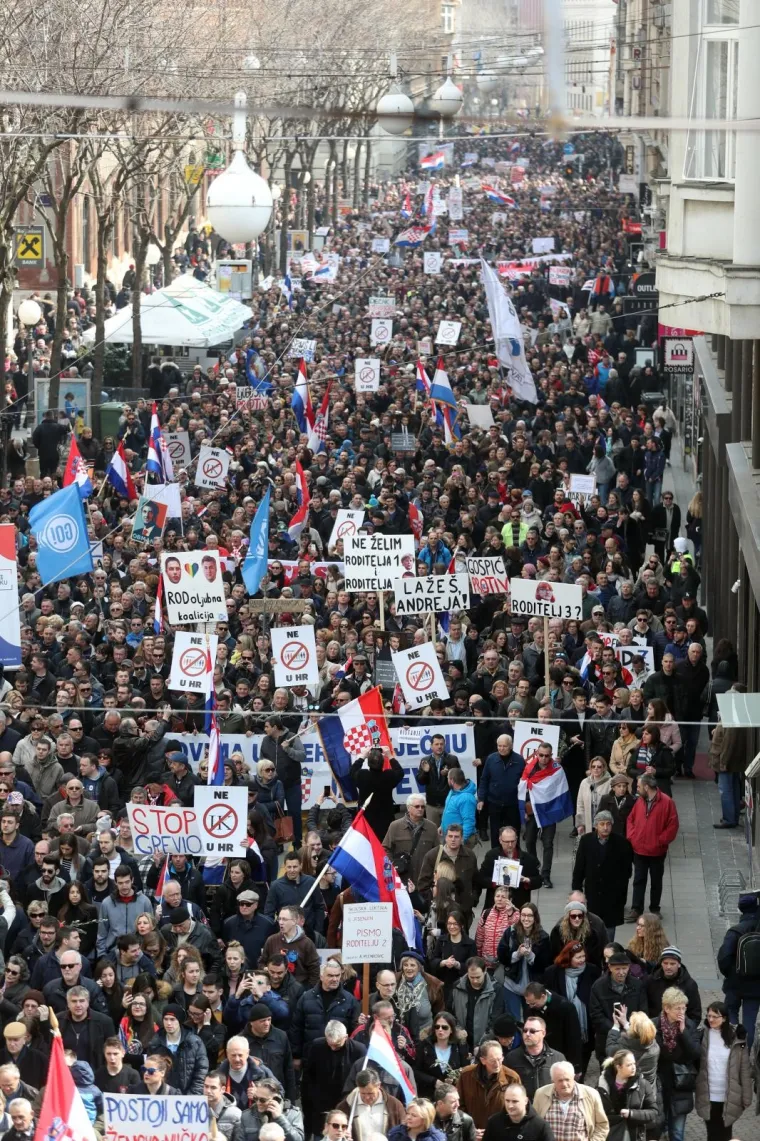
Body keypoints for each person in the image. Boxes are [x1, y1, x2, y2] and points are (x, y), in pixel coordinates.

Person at [572, 812, 633, 942]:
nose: (605, 827)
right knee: (591, 931)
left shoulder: (622, 843)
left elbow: (627, 872)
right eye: (602, 824)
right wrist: (576, 892)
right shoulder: (586, 841)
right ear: (596, 826)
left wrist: (621, 897)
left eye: (608, 824)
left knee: (608, 936)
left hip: (612, 897)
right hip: (593, 894)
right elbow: (579, 869)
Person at [695, 1002, 751, 1141]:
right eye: (709, 1016)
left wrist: (747, 1096)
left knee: (725, 1133)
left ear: (724, 1018)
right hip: (708, 1094)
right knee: (712, 1134)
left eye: (715, 1016)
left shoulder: (736, 1037)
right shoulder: (702, 1035)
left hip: (729, 1094)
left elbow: (744, 1068)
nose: (711, 1019)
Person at [625, 775, 679, 920]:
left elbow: (672, 826)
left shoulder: (667, 802)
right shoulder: (639, 801)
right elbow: (631, 819)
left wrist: (660, 841)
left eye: (638, 786)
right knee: (638, 880)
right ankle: (636, 908)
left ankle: (654, 908)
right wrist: (633, 837)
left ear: (646, 787)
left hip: (657, 851)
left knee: (656, 881)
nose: (636, 789)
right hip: (639, 849)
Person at [301, 1020, 366, 1138]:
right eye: (329, 1044)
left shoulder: (358, 1050)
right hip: (321, 1106)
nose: (332, 1048)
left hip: (346, 1104)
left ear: (346, 1037)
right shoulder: (317, 1046)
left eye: (337, 1045)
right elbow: (308, 1077)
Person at [654, 987, 702, 1141]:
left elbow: (695, 1053)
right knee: (657, 1127)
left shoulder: (688, 1025)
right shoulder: (653, 1025)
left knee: (677, 1131)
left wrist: (683, 1033)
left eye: (684, 1007)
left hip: (681, 1083)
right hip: (660, 1081)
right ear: (666, 1008)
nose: (682, 1011)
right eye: (678, 1008)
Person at [588, 951, 649, 1063]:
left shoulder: (637, 985)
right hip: (607, 1040)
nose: (621, 972)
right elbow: (596, 1015)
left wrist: (630, 1028)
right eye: (617, 969)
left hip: (632, 1040)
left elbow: (643, 1011)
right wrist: (615, 1030)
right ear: (610, 968)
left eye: (624, 968)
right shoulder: (598, 987)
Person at [717, 890, 760, 1045]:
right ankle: (745, 1051)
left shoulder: (736, 930)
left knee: (731, 1015)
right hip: (756, 986)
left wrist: (730, 973)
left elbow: (724, 958)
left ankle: (732, 1048)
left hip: (735, 983)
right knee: (750, 1019)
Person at [497, 904, 552, 1018]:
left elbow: (545, 964)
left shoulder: (543, 937)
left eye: (530, 916)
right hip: (512, 984)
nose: (526, 919)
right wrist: (517, 954)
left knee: (531, 1020)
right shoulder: (511, 932)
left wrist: (531, 956)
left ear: (535, 917)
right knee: (514, 1020)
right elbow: (501, 955)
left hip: (532, 986)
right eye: (523, 915)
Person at [532, 1061, 609, 1141]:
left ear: (573, 1077)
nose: (564, 1084)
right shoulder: (541, 1094)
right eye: (560, 1080)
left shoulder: (591, 1094)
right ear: (553, 1080)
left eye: (567, 1079)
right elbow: (534, 1124)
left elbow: (602, 1125)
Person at [456, 1040, 520, 1130]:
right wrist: (470, 1129)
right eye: (493, 1061)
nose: (497, 1064)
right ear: (483, 1060)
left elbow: (517, 1108)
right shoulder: (466, 1075)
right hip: (473, 1133)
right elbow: (458, 1104)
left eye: (499, 1059)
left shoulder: (512, 1078)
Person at [147, 1003, 209, 1094]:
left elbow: (201, 1072)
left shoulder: (194, 1042)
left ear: (179, 1021)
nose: (168, 1023)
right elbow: (150, 1071)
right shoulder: (155, 1044)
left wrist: (191, 1097)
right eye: (166, 1019)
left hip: (189, 1099)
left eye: (172, 1019)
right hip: (162, 1097)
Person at [596, 1050, 658, 1141]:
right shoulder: (602, 1085)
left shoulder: (643, 1085)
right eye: (629, 1065)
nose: (633, 1067)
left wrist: (631, 1113)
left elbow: (653, 1112)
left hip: (634, 1135)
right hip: (608, 1135)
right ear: (618, 1067)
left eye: (634, 1063)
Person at [476, 826, 542, 911]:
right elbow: (480, 879)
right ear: (500, 840)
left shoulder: (528, 858)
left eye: (512, 841)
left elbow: (539, 880)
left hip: (518, 906)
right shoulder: (492, 856)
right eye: (507, 842)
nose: (510, 845)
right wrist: (496, 881)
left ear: (516, 839)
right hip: (495, 908)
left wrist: (526, 880)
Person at [522, 984, 582, 1074]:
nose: (530, 1006)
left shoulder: (565, 1007)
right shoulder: (530, 1008)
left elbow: (574, 1039)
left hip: (561, 1056)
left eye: (533, 1003)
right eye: (528, 1003)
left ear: (543, 996)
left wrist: (576, 1066)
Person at [503, 1015, 566, 1100]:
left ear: (543, 1033)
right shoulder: (511, 1058)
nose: (527, 1034)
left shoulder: (558, 1058)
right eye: (525, 1031)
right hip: (523, 1109)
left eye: (532, 1031)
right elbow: (504, 1086)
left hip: (548, 1108)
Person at [476, 736, 525, 843]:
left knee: (513, 834)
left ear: (511, 746)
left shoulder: (520, 761)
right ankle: (496, 858)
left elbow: (525, 783)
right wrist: (481, 799)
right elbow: (484, 779)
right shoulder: (491, 759)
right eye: (499, 746)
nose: (501, 748)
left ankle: (513, 858)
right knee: (495, 835)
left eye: (504, 746)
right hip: (494, 803)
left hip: (513, 804)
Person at [383, 795, 439, 886]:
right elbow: (385, 849)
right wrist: (393, 866)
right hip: (402, 880)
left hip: (424, 880)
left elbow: (438, 851)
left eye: (422, 806)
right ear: (409, 808)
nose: (420, 809)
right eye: (417, 806)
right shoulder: (395, 826)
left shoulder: (432, 827)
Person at [337, 1067, 406, 1140]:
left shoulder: (394, 1105)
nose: (366, 1097)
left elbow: (404, 1132)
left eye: (370, 1093)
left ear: (378, 1085)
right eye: (363, 1093)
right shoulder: (345, 1107)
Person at [414, 1013, 471, 1098]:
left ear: (451, 1030)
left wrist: (455, 1079)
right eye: (437, 1027)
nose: (440, 1030)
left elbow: (466, 1070)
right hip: (429, 1093)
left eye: (444, 1027)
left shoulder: (460, 1046)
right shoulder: (425, 1045)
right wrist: (434, 1081)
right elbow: (416, 1071)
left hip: (452, 1095)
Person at [647, 947, 702, 1026]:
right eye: (665, 963)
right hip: (653, 1027)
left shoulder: (689, 984)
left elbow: (695, 1014)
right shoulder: (651, 981)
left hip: (680, 1028)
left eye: (672, 964)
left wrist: (686, 1030)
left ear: (679, 964)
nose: (668, 967)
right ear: (661, 963)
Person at [605, 1011, 660, 1089]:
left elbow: (609, 1050)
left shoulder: (624, 1047)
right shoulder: (655, 1047)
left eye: (630, 1024)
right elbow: (640, 1034)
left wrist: (615, 1027)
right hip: (649, 1091)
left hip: (631, 1094)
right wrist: (626, 1023)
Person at [238, 1077, 304, 1141]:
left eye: (262, 1100)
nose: (258, 1103)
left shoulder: (293, 1114)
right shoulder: (246, 1116)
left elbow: (297, 1139)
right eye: (255, 1098)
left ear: (276, 1099)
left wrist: (280, 1118)